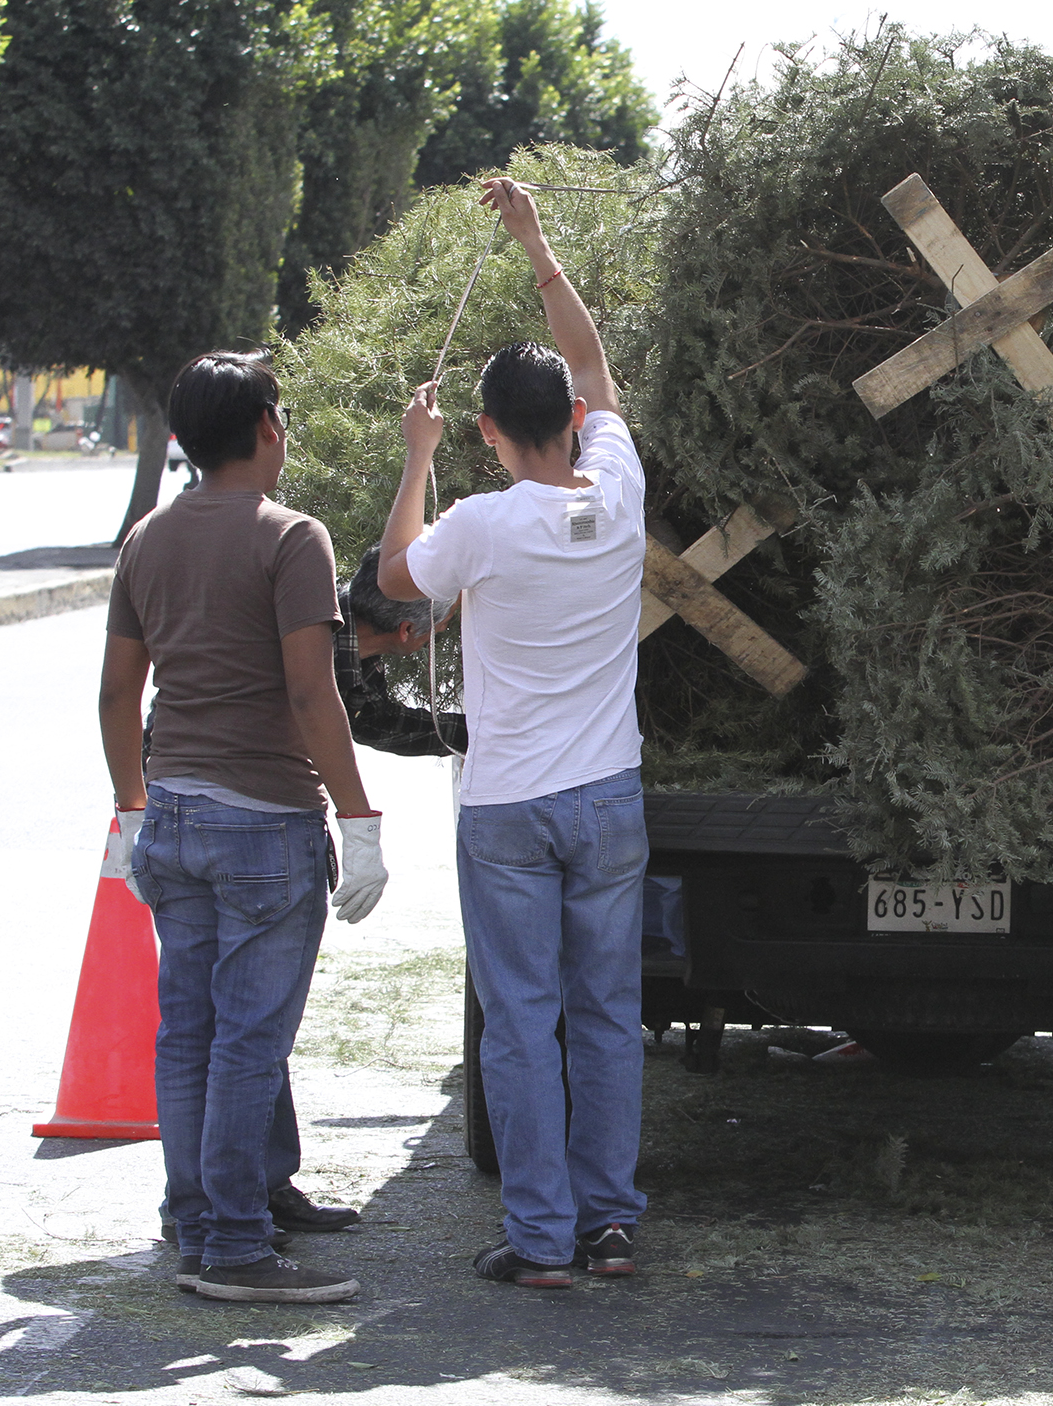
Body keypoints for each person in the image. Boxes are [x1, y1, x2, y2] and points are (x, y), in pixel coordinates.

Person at [378, 178, 650, 1288]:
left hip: (505, 808)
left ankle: (540, 1242)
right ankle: (610, 1223)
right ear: (577, 426)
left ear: (489, 434)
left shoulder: (479, 522)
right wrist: (536, 241)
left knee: (519, 1024)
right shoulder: (621, 489)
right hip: (608, 795)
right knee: (606, 1015)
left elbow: (397, 584)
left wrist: (413, 457)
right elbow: (590, 368)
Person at [97, 352, 389, 1304]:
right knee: (247, 1040)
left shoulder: (145, 538)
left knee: (191, 1030)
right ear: (268, 426)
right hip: (266, 822)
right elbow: (313, 691)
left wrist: (129, 805)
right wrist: (360, 816)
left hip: (173, 813)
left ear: (180, 438)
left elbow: (115, 691)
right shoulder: (292, 536)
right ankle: (232, 1244)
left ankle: (199, 1217)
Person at [338, 543, 468, 757]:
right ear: (407, 629)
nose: (442, 630)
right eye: (445, 622)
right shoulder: (314, 644)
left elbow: (382, 724)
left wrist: (489, 736)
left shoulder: (361, 662)